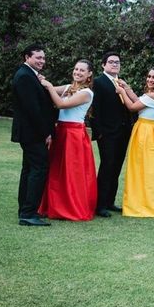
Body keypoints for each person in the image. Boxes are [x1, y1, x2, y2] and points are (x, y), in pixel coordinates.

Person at [38, 60, 97, 221]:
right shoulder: (67, 87)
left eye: (82, 70)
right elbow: (43, 90)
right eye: (76, 69)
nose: (77, 72)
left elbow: (61, 104)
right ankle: (55, 204)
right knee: (57, 169)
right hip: (60, 131)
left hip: (74, 134)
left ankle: (71, 207)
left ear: (89, 74)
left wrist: (49, 86)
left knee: (72, 171)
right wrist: (38, 79)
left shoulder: (87, 93)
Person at [11, 44, 57, 226]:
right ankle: (28, 213)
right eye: (38, 58)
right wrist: (46, 132)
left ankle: (25, 209)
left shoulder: (30, 75)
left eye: (43, 58)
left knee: (29, 169)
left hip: (30, 132)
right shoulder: (24, 76)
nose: (42, 61)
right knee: (38, 169)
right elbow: (33, 109)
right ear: (26, 57)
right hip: (32, 132)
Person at [115, 67, 154, 218]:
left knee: (146, 168)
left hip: (146, 132)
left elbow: (132, 107)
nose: (150, 80)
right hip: (146, 129)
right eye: (149, 76)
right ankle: (140, 199)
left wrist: (122, 92)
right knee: (141, 166)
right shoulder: (152, 94)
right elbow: (139, 101)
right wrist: (127, 87)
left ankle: (145, 203)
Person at [91, 52, 133, 217]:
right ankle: (99, 204)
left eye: (117, 62)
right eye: (111, 62)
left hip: (123, 132)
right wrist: (99, 132)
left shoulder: (121, 83)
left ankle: (110, 201)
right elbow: (95, 109)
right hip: (107, 133)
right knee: (107, 166)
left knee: (116, 167)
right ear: (103, 65)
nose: (115, 64)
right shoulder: (99, 83)